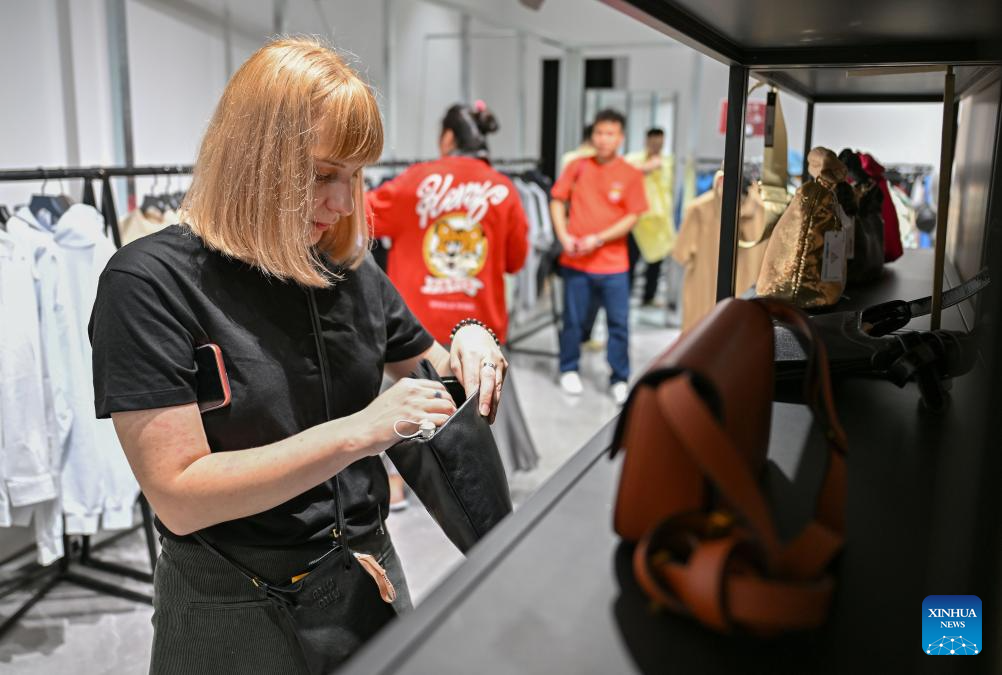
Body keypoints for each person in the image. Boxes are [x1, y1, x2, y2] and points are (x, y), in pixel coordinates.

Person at [88, 38, 507, 674]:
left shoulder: (346, 271)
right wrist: (360, 432)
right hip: (231, 609)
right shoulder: (148, 283)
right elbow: (180, 494)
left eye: (354, 176)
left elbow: (436, 371)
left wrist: (472, 336)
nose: (344, 203)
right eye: (320, 175)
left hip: (367, 576)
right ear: (252, 159)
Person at [366, 102, 538, 477]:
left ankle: (397, 486)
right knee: (480, 437)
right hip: (480, 332)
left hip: (415, 333)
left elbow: (360, 218)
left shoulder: (413, 181)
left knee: (402, 430)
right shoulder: (503, 189)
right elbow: (515, 261)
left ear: (447, 137)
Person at [550, 109, 648, 405]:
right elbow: (557, 200)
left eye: (610, 133)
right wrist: (564, 236)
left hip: (614, 265)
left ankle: (619, 377)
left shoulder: (630, 173)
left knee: (618, 323)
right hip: (576, 262)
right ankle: (568, 368)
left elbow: (632, 216)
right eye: (599, 133)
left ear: (621, 137)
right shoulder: (577, 166)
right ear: (592, 136)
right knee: (573, 320)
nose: (604, 139)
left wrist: (599, 239)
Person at [626, 127, 676, 307]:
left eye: (660, 143)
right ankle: (625, 296)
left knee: (656, 260)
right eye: (653, 142)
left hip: (659, 221)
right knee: (630, 260)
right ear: (646, 141)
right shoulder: (633, 160)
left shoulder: (669, 162)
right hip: (637, 221)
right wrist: (646, 168)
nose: (656, 146)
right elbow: (623, 176)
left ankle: (649, 297)